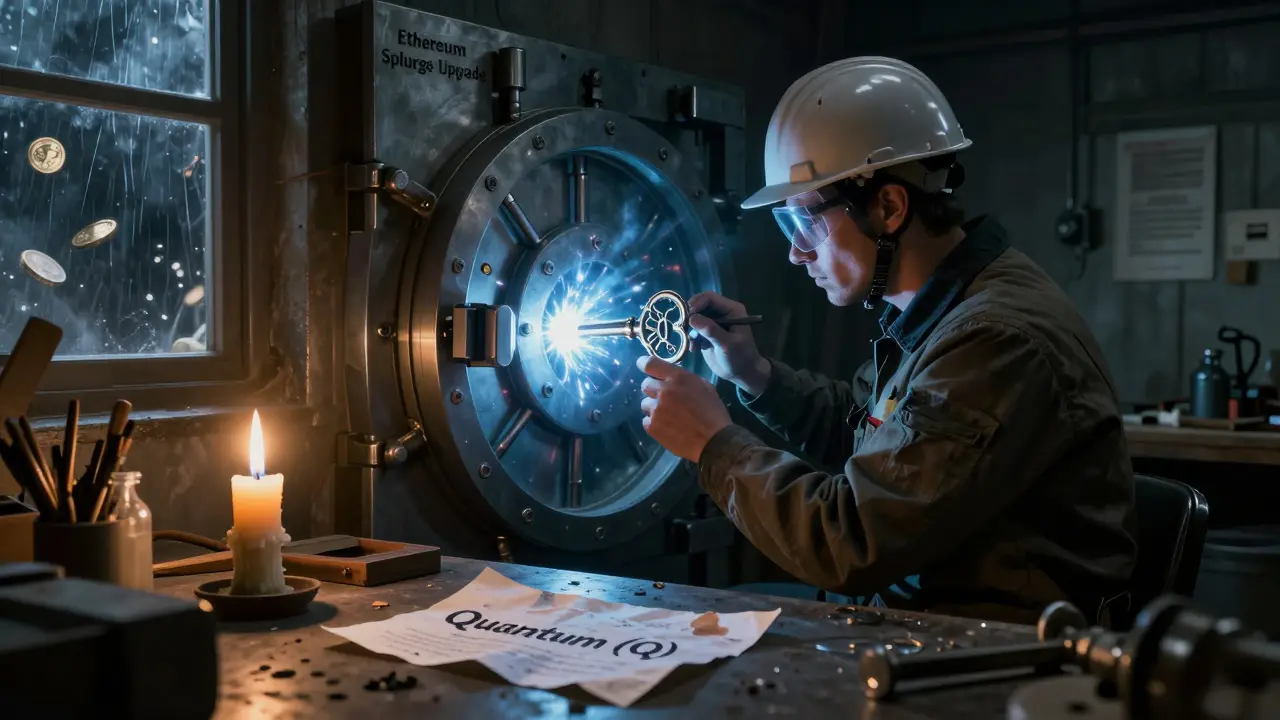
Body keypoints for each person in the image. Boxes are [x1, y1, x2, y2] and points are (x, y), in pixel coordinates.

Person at [636, 56, 1138, 626]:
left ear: (890, 207)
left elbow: (848, 542)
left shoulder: (995, 339)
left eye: (806, 225)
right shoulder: (943, 309)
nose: (797, 253)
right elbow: (869, 438)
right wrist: (754, 375)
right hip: (927, 619)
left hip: (996, 655)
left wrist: (713, 445)